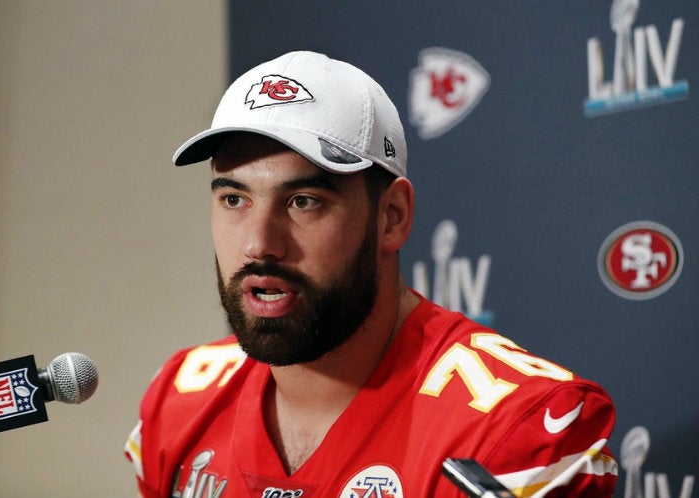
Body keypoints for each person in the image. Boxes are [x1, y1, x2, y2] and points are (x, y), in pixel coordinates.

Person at [125, 50, 618, 498]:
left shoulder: (515, 429)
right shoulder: (180, 401)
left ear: (392, 216)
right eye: (234, 199)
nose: (258, 244)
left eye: (304, 202)